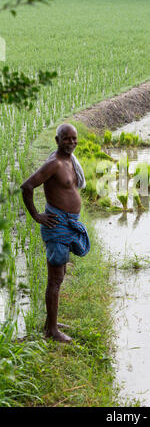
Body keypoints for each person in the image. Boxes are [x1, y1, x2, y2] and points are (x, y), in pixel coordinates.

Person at [20, 123, 90, 343]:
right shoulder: (54, 163)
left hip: (68, 224)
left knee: (60, 276)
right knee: (55, 280)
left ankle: (51, 321)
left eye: (74, 138)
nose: (71, 142)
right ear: (57, 140)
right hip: (56, 225)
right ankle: (51, 331)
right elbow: (27, 186)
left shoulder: (70, 161)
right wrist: (36, 216)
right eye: (66, 139)